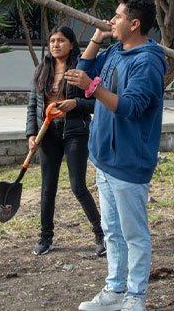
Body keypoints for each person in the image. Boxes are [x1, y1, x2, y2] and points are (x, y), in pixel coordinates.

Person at [66, 0, 167, 311]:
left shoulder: (148, 61)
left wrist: (92, 88)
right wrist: (96, 38)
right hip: (104, 157)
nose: (112, 20)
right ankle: (114, 289)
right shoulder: (115, 51)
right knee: (111, 230)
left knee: (134, 233)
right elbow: (84, 68)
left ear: (135, 24)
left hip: (129, 160)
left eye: (118, 16)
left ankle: (135, 296)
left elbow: (132, 107)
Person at [25, 26, 104, 257]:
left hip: (75, 132)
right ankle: (45, 237)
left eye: (61, 40)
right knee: (47, 188)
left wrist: (76, 104)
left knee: (78, 186)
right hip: (47, 133)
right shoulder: (42, 69)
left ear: (71, 44)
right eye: (52, 41)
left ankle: (101, 234)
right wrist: (31, 134)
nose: (55, 44)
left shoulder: (82, 68)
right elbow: (32, 105)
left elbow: (98, 103)